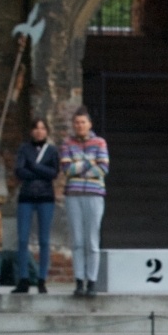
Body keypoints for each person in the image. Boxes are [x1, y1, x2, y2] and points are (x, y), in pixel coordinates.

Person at [59, 108, 109, 297]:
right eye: (77, 122)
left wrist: (79, 166)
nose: (80, 126)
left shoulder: (100, 142)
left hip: (94, 195)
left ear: (89, 124)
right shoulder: (67, 143)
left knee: (92, 240)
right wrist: (89, 162)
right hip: (73, 195)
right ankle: (79, 281)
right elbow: (66, 169)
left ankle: (92, 282)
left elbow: (103, 168)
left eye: (83, 122)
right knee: (78, 240)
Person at [12, 118, 59, 294]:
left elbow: (53, 173)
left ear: (46, 131)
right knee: (23, 239)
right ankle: (23, 278)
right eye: (36, 128)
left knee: (44, 240)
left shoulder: (52, 151)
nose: (39, 131)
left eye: (42, 128)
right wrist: (40, 170)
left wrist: (34, 166)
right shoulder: (24, 149)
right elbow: (20, 170)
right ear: (32, 131)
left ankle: (42, 279)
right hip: (26, 197)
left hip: (46, 197)